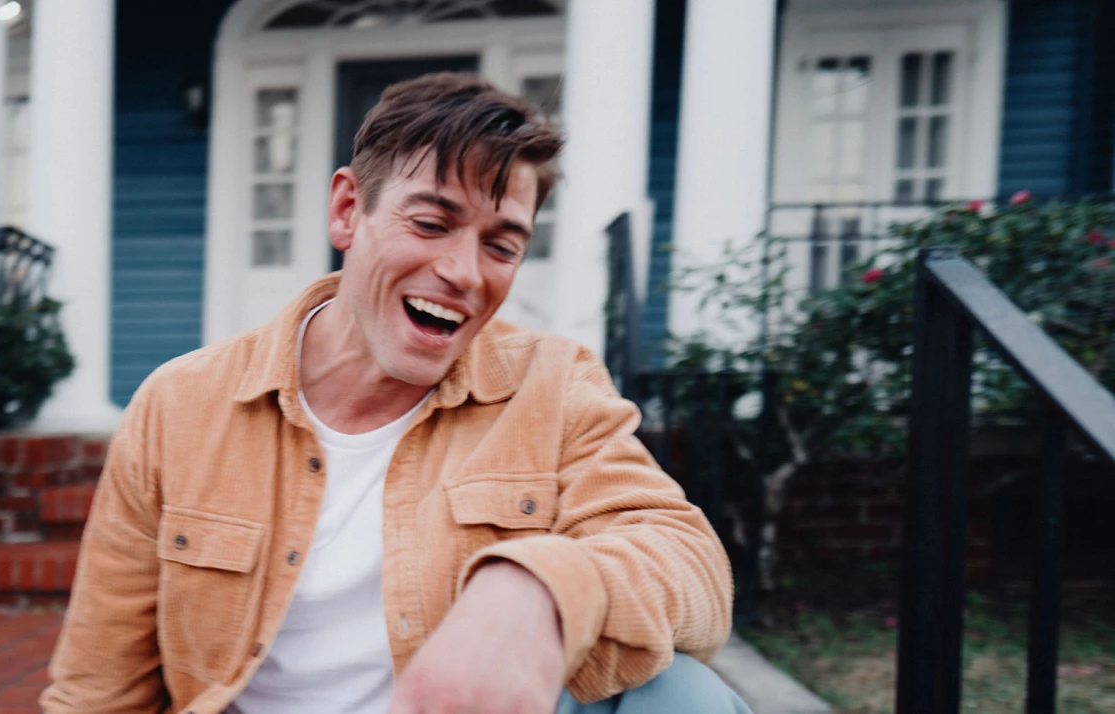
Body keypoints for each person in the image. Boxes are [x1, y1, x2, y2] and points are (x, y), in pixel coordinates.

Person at [40, 73, 750, 714]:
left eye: (501, 245)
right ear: (348, 210)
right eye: (431, 223)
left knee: (682, 695)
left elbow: (689, 567)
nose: (464, 273)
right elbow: (99, 683)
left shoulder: (553, 383)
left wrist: (535, 589)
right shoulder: (179, 404)